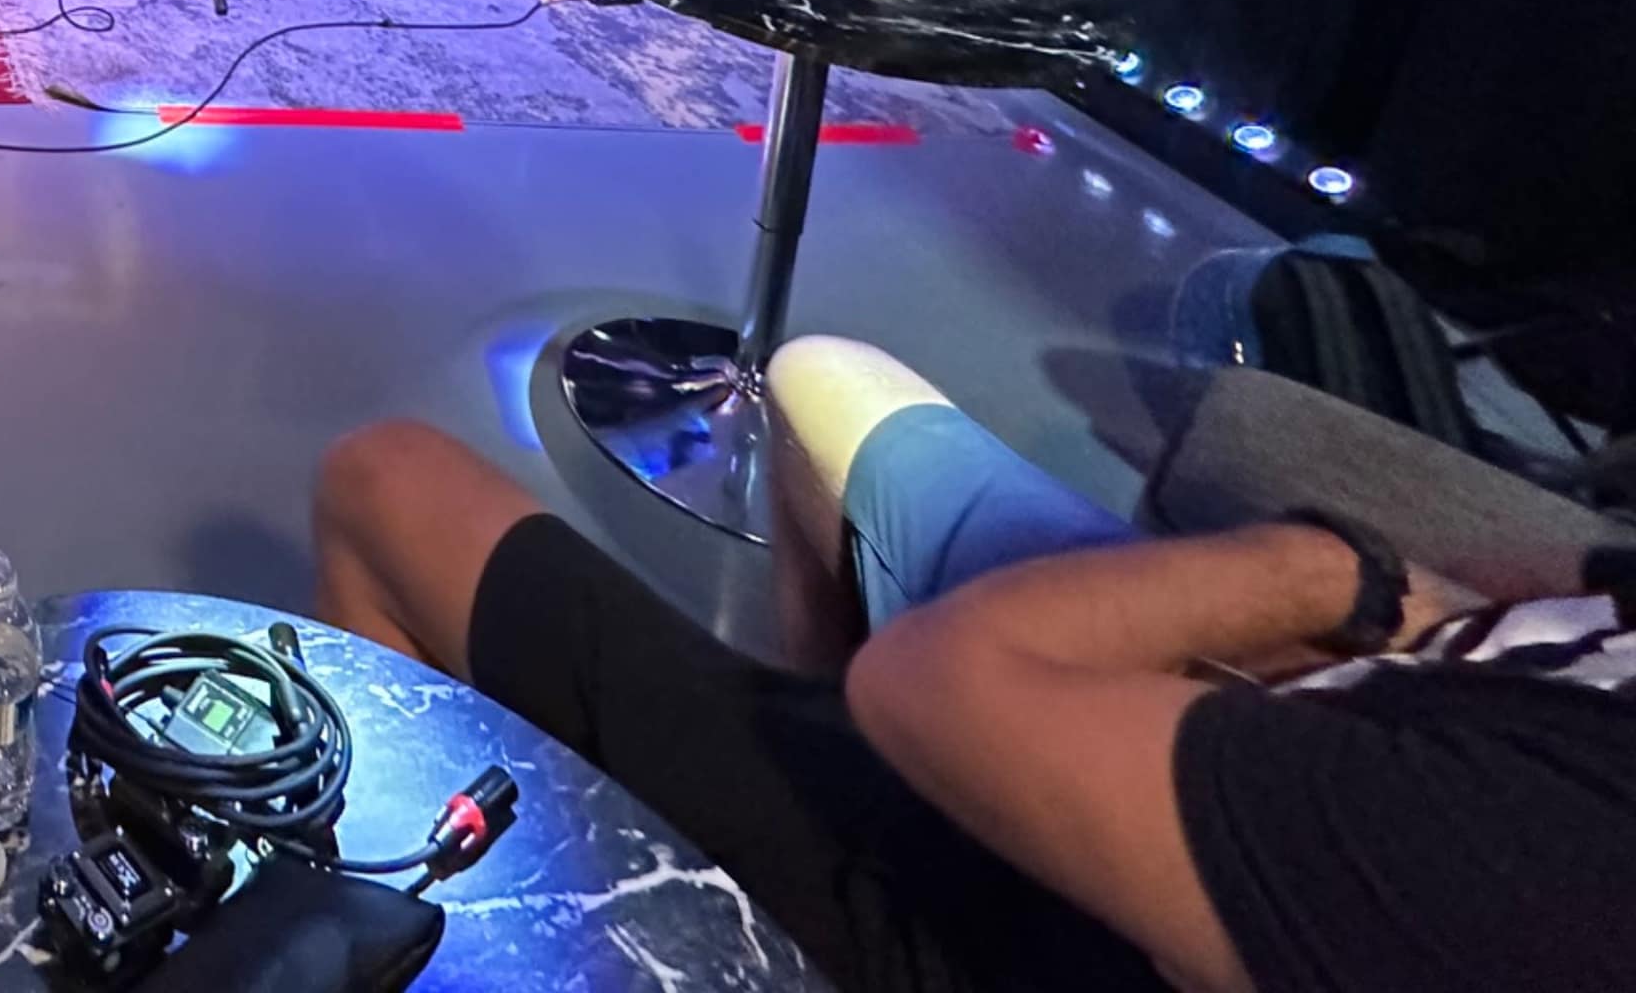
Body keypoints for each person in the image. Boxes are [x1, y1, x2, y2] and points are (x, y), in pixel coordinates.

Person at [308, 344, 1636, 993]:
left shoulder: (1548, 863)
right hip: (1285, 721)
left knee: (381, 479)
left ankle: (409, 925)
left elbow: (931, 690)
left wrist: (1317, 570)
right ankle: (767, 750)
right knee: (826, 386)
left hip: (1001, 897)